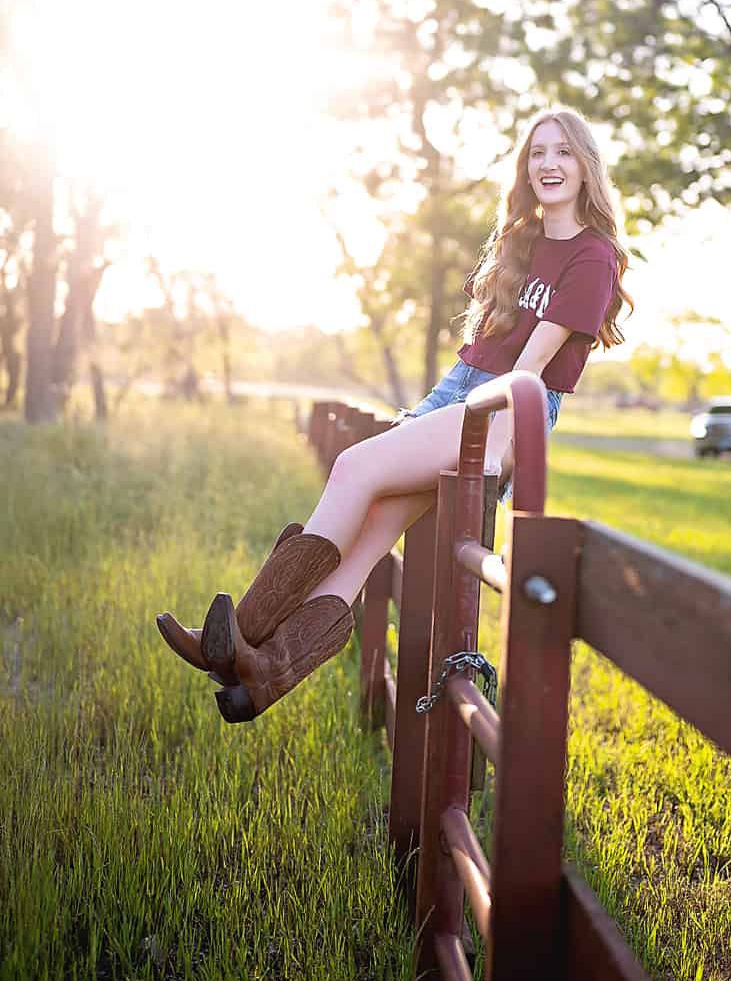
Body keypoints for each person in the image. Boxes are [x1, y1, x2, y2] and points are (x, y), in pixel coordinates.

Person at [157, 108, 632, 723]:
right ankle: (266, 669)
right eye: (537, 152)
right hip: (462, 390)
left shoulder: (593, 256)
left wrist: (469, 414)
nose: (548, 164)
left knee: (355, 466)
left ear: (586, 165)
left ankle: (236, 637)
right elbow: (477, 354)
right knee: (375, 523)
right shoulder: (520, 242)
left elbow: (527, 371)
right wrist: (437, 405)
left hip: (510, 406)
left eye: (563, 153)